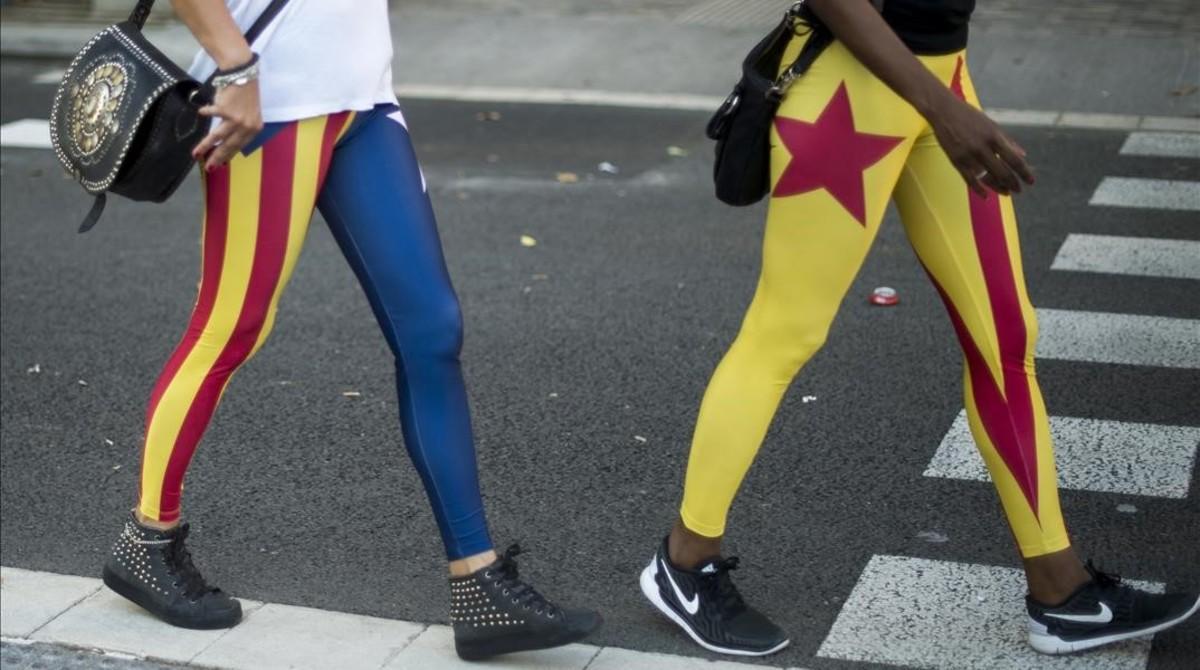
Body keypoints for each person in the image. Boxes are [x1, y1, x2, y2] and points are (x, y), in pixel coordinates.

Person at [639, 0, 1198, 657]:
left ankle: (1062, 591)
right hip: (848, 97)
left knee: (1006, 342)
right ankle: (686, 561)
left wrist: (945, 101)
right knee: (783, 334)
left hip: (942, 86)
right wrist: (944, 107)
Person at [100, 0, 600, 660]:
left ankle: (477, 582)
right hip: (268, 104)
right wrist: (237, 67)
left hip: (363, 98)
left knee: (431, 331)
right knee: (230, 327)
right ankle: (147, 541)